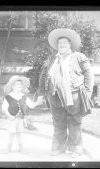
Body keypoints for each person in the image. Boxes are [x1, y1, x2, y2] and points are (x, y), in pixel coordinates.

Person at [38, 28, 94, 158]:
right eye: (60, 43)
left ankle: (75, 149)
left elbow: (89, 75)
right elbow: (43, 75)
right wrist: (42, 93)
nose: (62, 45)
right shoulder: (51, 59)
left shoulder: (79, 57)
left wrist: (87, 92)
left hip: (74, 95)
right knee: (58, 122)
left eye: (64, 43)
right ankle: (58, 148)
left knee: (74, 122)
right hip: (54, 95)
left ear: (70, 45)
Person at [2, 75, 43, 154]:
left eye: (21, 84)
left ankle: (21, 149)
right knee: (11, 134)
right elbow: (4, 108)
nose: (19, 85)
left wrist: (37, 102)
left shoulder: (24, 97)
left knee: (19, 134)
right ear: (12, 86)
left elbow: (31, 105)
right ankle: (8, 149)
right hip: (12, 119)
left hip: (20, 119)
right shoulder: (8, 97)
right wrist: (9, 116)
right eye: (17, 84)